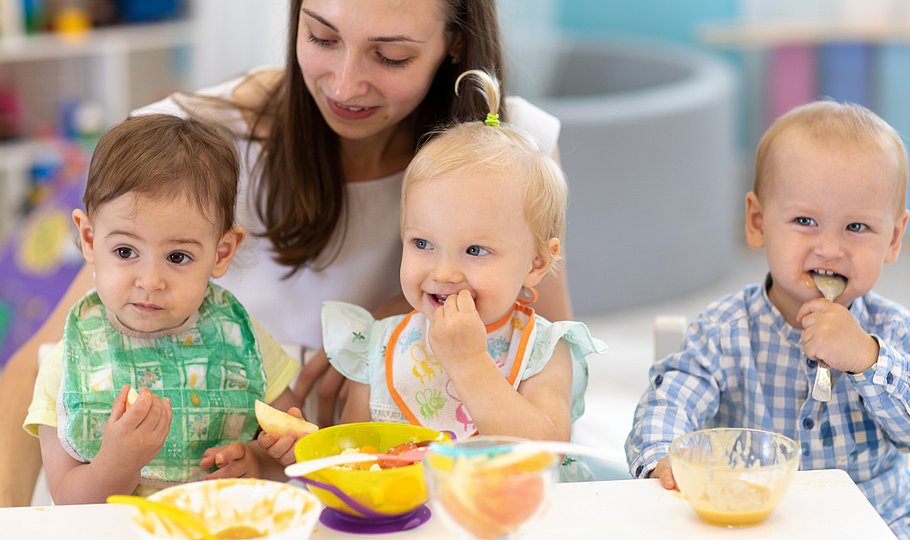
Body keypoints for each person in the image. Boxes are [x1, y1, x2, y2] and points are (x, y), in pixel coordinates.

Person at [0, 0, 573, 506]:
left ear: (453, 42)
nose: (346, 84)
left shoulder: (509, 155)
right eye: (322, 37)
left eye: (391, 56)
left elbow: (538, 367)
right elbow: (41, 367)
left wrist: (412, 309)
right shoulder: (193, 149)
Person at [625, 101, 910, 540]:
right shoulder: (726, 330)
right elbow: (673, 399)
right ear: (758, 222)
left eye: (857, 227)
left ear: (894, 239)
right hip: (754, 526)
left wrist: (868, 358)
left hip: (884, 526)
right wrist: (661, 459)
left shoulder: (894, 329)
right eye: (805, 221)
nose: (830, 248)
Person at [322, 70, 605, 481]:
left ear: (536, 264)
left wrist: (469, 362)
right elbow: (355, 461)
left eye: (475, 251)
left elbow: (545, 454)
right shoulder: (378, 347)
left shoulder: (543, 352)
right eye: (422, 244)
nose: (443, 271)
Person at [22, 114, 303, 504]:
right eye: (125, 251)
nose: (151, 280)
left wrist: (258, 463)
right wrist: (118, 463)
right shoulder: (70, 363)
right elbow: (70, 504)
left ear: (221, 253)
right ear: (89, 238)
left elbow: (285, 453)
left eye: (178, 256)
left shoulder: (240, 338)